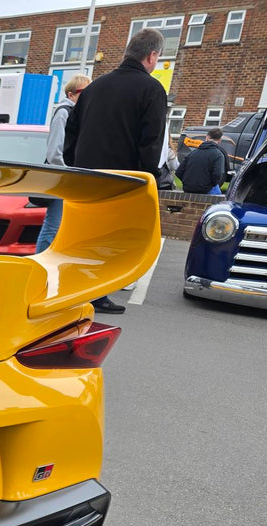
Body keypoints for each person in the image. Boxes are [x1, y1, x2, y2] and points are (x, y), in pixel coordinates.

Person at [63, 28, 168, 315]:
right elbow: (151, 142)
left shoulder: (95, 87)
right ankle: (97, 295)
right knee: (111, 242)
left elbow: (71, 132)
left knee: (85, 239)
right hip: (123, 180)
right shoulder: (152, 90)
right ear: (152, 55)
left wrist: (76, 167)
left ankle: (75, 291)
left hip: (86, 178)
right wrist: (147, 178)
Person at [34, 75, 90, 254]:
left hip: (71, 177)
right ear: (71, 94)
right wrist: (67, 173)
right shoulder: (63, 112)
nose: (87, 96)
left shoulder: (77, 114)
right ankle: (40, 264)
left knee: (62, 225)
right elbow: (54, 151)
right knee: (53, 225)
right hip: (63, 177)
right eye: (83, 92)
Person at [177, 127, 227, 194]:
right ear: (219, 140)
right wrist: (211, 185)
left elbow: (179, 172)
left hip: (188, 188)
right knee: (219, 196)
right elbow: (217, 175)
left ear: (207, 137)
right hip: (206, 189)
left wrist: (186, 182)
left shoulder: (192, 153)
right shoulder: (219, 155)